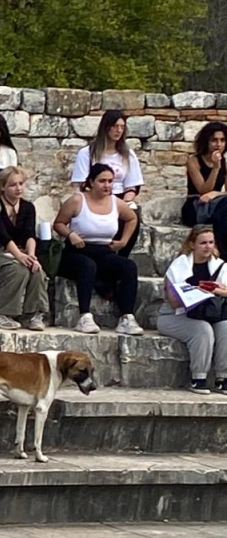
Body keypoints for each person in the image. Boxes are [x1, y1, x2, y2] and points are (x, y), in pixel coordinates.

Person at [52, 163, 143, 336]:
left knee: (128, 266)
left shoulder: (116, 202)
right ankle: (84, 316)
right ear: (91, 182)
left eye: (110, 181)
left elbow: (132, 218)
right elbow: (58, 224)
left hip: (103, 251)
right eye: (102, 181)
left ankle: (127, 317)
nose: (107, 185)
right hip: (77, 250)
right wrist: (71, 234)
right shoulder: (77, 200)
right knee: (87, 266)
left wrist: (123, 241)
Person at [0, 167, 49, 331]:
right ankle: (3, 314)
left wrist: (31, 256)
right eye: (13, 185)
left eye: (21, 184)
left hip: (18, 250)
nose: (18, 188)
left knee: (37, 271)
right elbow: (2, 235)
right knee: (17, 271)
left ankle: (32, 314)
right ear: (3, 187)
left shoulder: (28, 207)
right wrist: (20, 258)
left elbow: (30, 234)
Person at [159, 226, 227, 394]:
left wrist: (216, 290)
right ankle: (198, 377)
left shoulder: (219, 266)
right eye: (203, 243)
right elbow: (174, 302)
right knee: (203, 330)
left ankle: (223, 377)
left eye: (211, 242)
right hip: (174, 315)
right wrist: (195, 293)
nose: (208, 247)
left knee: (225, 327)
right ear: (192, 244)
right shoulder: (179, 266)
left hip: (210, 312)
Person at [71, 110, 143, 256]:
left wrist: (125, 201)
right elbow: (82, 183)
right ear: (106, 127)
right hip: (94, 195)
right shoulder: (87, 153)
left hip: (120, 196)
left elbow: (132, 186)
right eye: (115, 126)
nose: (119, 131)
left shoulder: (128, 154)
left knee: (132, 215)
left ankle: (122, 252)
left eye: (122, 127)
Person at [182, 121, 227, 253]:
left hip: (216, 204)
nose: (218, 144)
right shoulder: (194, 161)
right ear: (206, 141)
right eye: (214, 140)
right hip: (196, 205)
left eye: (222, 140)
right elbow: (203, 190)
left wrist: (216, 194)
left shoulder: (225, 161)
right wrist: (215, 168)